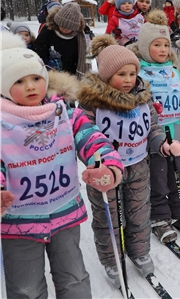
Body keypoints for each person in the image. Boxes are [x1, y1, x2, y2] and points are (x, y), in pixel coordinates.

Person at [0, 31, 123, 298]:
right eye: (19, 81)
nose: (31, 86)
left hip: (64, 214)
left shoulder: (64, 113)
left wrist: (107, 166)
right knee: (26, 289)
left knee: (75, 279)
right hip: (19, 223)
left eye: (36, 78)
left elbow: (92, 138)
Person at [78, 34, 180, 286]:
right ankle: (112, 259)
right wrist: (94, 162)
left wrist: (164, 145)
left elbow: (153, 130)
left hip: (138, 166)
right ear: (105, 75)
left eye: (131, 74)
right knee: (108, 217)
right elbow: (82, 135)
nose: (127, 80)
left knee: (138, 211)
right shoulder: (93, 103)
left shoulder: (142, 98)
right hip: (106, 172)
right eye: (120, 74)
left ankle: (138, 250)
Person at [129, 9, 180, 243]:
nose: (163, 50)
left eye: (166, 45)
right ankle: (160, 218)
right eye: (156, 45)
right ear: (145, 46)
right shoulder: (139, 72)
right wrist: (150, 107)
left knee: (179, 176)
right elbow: (136, 103)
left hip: (177, 132)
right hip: (156, 137)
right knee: (159, 178)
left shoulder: (172, 70)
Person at [33, 2, 90, 78]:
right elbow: (38, 51)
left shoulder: (82, 35)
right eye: (62, 26)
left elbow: (88, 55)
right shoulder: (48, 31)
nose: (65, 29)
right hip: (52, 73)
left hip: (75, 72)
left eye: (69, 27)